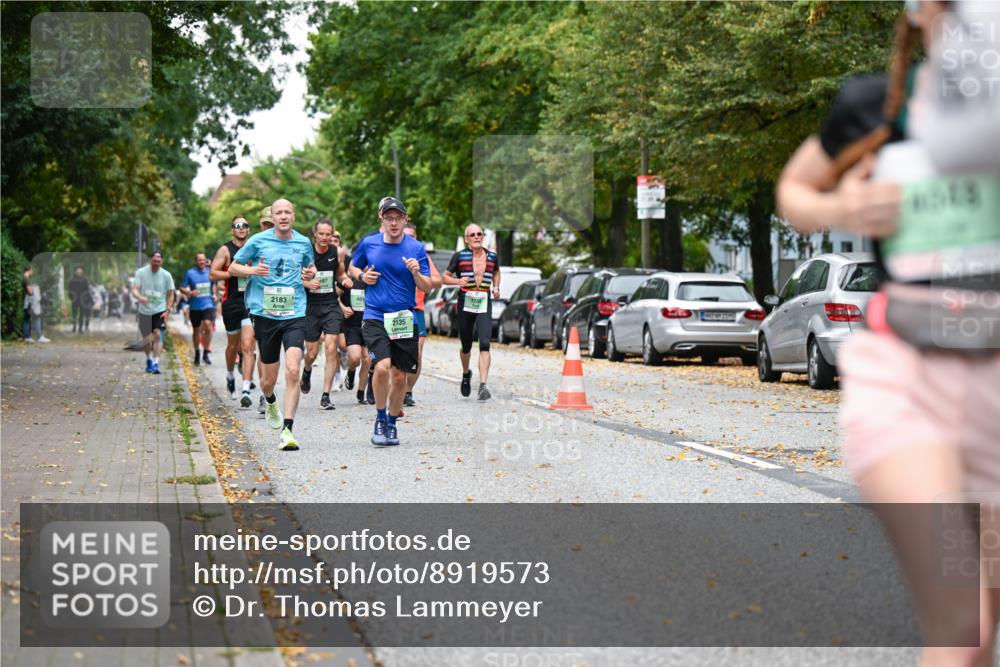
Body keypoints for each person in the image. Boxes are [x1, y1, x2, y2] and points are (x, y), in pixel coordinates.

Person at [777, 2, 999, 662]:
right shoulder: (880, 106)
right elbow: (794, 190)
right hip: (906, 376)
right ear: (922, 11)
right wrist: (842, 204)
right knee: (965, 619)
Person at [229, 198, 316, 451]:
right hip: (265, 314)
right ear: (273, 217)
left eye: (288, 212)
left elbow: (309, 269)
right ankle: (269, 399)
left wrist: (309, 275)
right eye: (278, 212)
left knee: (292, 370)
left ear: (294, 217)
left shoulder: (303, 243)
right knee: (268, 380)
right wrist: (253, 272)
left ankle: (288, 430)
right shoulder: (258, 241)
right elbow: (234, 267)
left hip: (294, 313)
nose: (283, 216)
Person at [349, 196, 432, 447]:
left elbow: (427, 286)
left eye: (398, 218)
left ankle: (392, 424)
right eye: (389, 218)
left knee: (399, 376)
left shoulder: (415, 248)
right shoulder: (369, 243)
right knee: (382, 366)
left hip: (403, 317)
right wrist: (363, 276)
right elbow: (353, 268)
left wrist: (416, 272)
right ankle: (379, 417)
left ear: (405, 219)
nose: (394, 223)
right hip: (374, 314)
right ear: (381, 219)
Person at [442, 223, 501, 401]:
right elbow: (444, 276)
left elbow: (497, 272)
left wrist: (496, 287)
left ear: (483, 237)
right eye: (472, 234)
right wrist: (457, 282)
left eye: (479, 234)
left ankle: (483, 386)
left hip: (484, 301)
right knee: (466, 344)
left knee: (484, 343)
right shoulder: (459, 256)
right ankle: (466, 373)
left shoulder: (492, 256)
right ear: (467, 239)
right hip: (465, 301)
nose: (476, 237)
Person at [301, 219, 350, 410]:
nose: (324, 238)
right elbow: (294, 276)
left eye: (328, 234)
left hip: (330, 305)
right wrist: (307, 284)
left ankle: (326, 395)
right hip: (311, 307)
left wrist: (346, 281)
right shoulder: (306, 253)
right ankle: (306, 371)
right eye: (321, 234)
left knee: (331, 348)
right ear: (315, 234)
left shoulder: (336, 252)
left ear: (332, 235)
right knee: (312, 353)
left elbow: (341, 273)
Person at [210, 215, 257, 406]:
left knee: (248, 346)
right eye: (237, 225)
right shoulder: (225, 249)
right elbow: (213, 273)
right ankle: (230, 376)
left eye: (245, 225)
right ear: (233, 230)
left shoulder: (253, 248)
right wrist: (233, 271)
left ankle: (245, 388)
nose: (241, 228)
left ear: (248, 229)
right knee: (232, 345)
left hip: (250, 302)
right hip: (231, 303)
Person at [402, 221, 442, 406]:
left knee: (416, 354)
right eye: (406, 236)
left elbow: (437, 281)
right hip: (394, 309)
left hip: (416, 308)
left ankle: (408, 391)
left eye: (412, 237)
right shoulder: (390, 251)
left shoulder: (421, 255)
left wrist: (419, 276)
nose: (409, 240)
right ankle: (393, 387)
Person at [131, 251, 175, 374]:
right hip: (144, 311)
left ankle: (156, 362)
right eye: (154, 261)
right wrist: (140, 298)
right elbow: (134, 290)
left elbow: (171, 294)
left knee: (157, 334)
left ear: (162, 261)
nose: (156, 263)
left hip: (159, 310)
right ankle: (149, 359)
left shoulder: (166, 275)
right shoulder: (141, 273)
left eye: (159, 261)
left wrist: (168, 310)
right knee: (146, 339)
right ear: (150, 260)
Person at [181, 252, 216, 366]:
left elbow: (213, 284)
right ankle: (197, 353)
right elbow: (181, 288)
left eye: (203, 260)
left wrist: (214, 294)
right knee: (196, 330)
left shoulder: (210, 272)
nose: (202, 262)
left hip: (208, 304)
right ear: (196, 261)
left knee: (207, 325)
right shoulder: (190, 273)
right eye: (199, 260)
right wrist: (190, 292)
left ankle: (206, 352)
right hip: (195, 306)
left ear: (206, 261)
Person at [68, 266, 91, 334]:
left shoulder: (85, 280)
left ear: (82, 273)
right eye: (78, 272)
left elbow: (87, 290)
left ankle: (80, 328)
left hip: (82, 300)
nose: (79, 273)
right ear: (75, 272)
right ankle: (74, 326)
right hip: (75, 300)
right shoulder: (72, 280)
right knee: (74, 315)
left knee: (81, 315)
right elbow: (69, 291)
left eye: (80, 272)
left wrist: (87, 299)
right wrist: (71, 298)